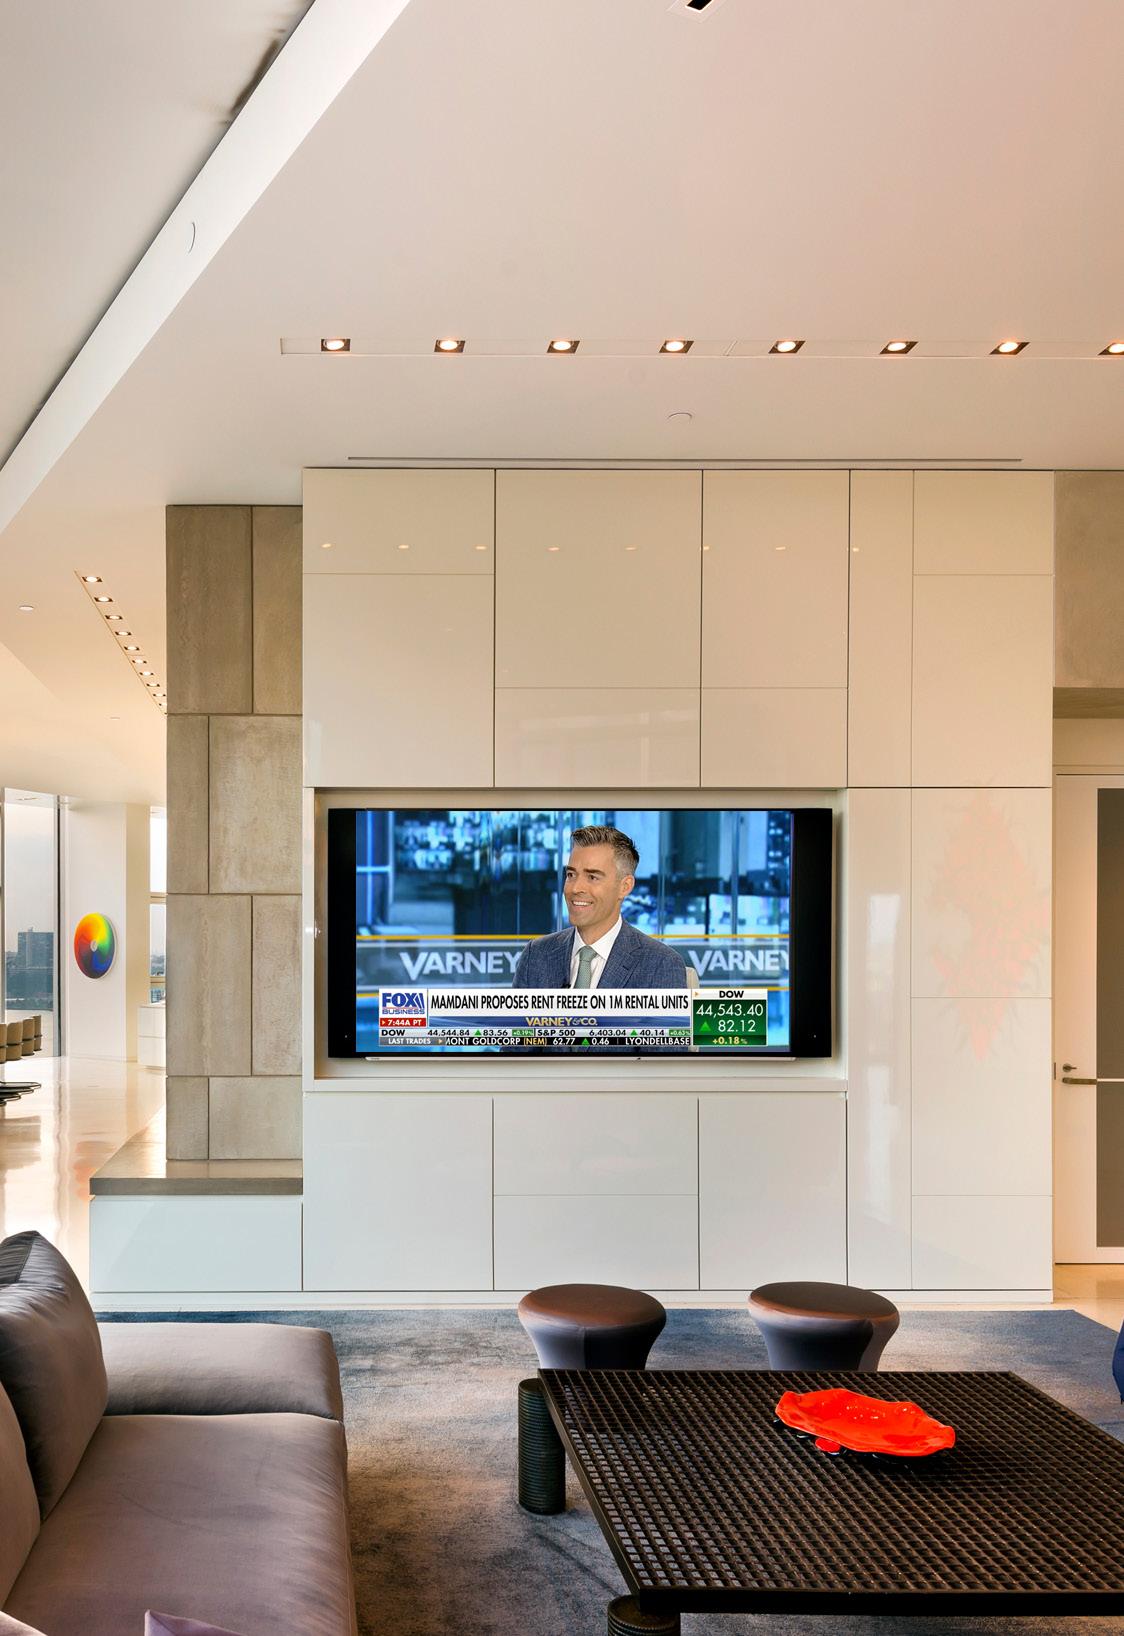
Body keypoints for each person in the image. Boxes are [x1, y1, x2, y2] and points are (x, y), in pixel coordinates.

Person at [513, 825, 688, 989]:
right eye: (571, 875)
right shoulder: (535, 955)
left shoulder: (661, 964)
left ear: (625, 887)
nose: (575, 888)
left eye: (592, 877)